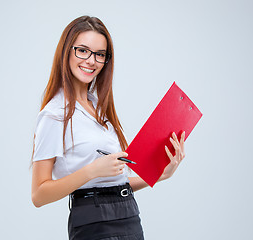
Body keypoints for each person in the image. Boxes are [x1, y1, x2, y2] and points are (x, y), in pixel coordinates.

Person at [30, 15, 186, 240]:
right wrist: (91, 171)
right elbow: (38, 194)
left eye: (100, 54)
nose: (91, 61)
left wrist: (159, 175)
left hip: (128, 214)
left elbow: (113, 183)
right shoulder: (54, 115)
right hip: (94, 222)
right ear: (66, 51)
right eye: (82, 50)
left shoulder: (99, 109)